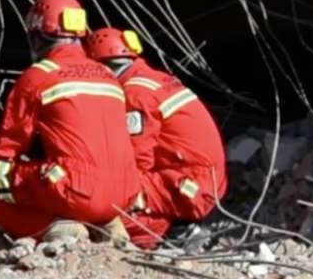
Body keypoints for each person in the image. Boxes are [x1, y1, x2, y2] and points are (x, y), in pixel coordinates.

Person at [0, 0, 139, 242]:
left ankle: (56, 227)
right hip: (124, 193)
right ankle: (107, 224)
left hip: (77, 189)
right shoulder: (108, 76)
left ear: (36, 35)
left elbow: (9, 143)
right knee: (58, 178)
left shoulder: (39, 76)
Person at [84, 27, 227, 249]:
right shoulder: (154, 79)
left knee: (103, 198)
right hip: (203, 180)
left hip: (188, 186)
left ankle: (166, 232)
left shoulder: (135, 94)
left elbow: (137, 160)